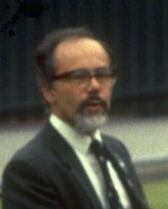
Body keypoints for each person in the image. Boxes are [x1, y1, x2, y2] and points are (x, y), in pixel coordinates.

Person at [1, 27, 150, 209]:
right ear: (48, 90)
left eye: (102, 75)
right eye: (79, 76)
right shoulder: (29, 171)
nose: (95, 86)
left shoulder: (116, 150)